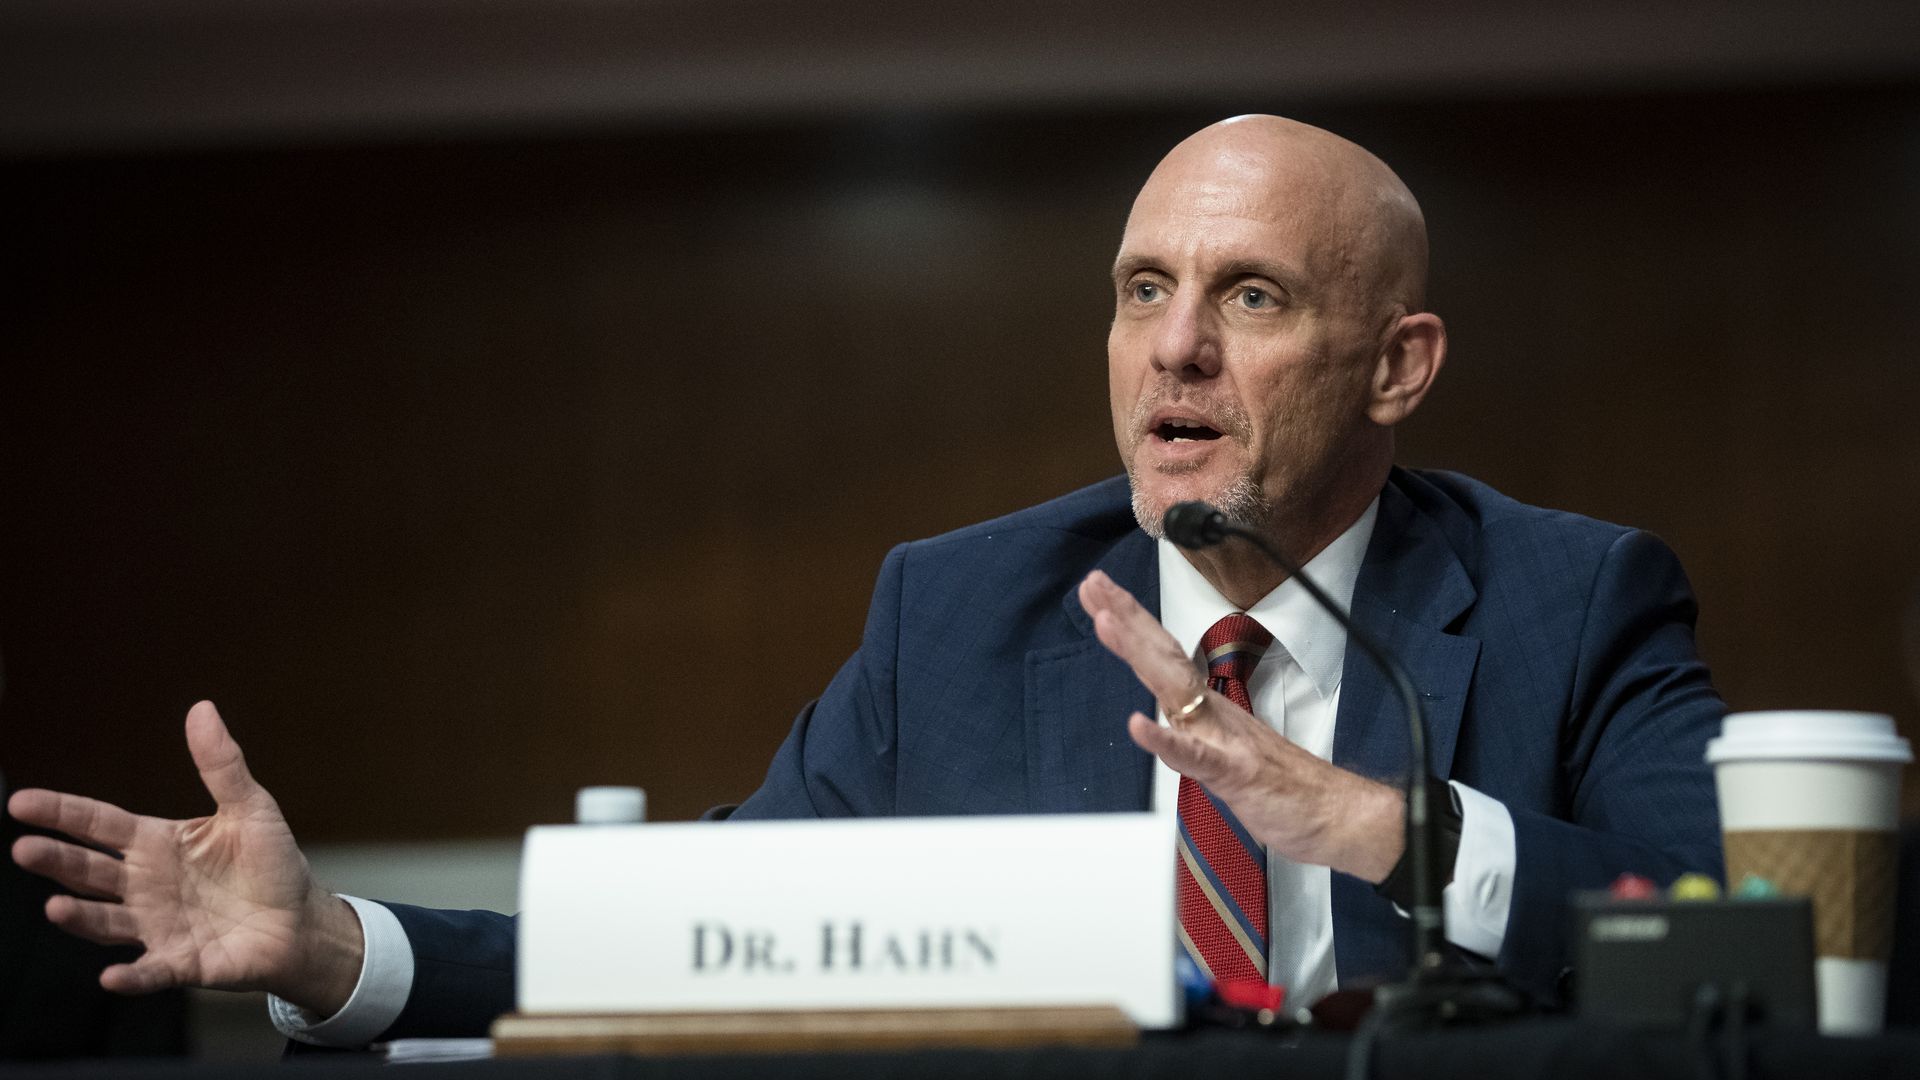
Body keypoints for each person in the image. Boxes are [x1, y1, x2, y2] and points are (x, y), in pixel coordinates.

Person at [6, 115, 1724, 1045]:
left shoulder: (1574, 600)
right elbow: (705, 935)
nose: (1175, 349)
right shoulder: (965, 611)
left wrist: (1376, 825)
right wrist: (333, 950)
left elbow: (1741, 937)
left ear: (1399, 364)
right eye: (1142, 289)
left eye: (1252, 297)